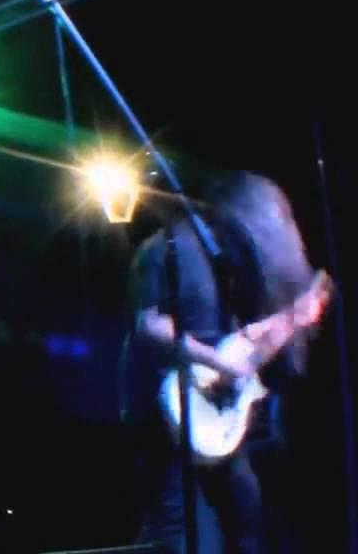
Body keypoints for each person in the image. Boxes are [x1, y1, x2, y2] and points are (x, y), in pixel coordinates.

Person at [119, 171, 328, 554]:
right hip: (171, 411)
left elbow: (241, 342)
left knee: (249, 522)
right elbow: (150, 325)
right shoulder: (163, 249)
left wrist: (294, 318)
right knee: (179, 531)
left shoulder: (225, 260)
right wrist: (218, 361)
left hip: (219, 414)